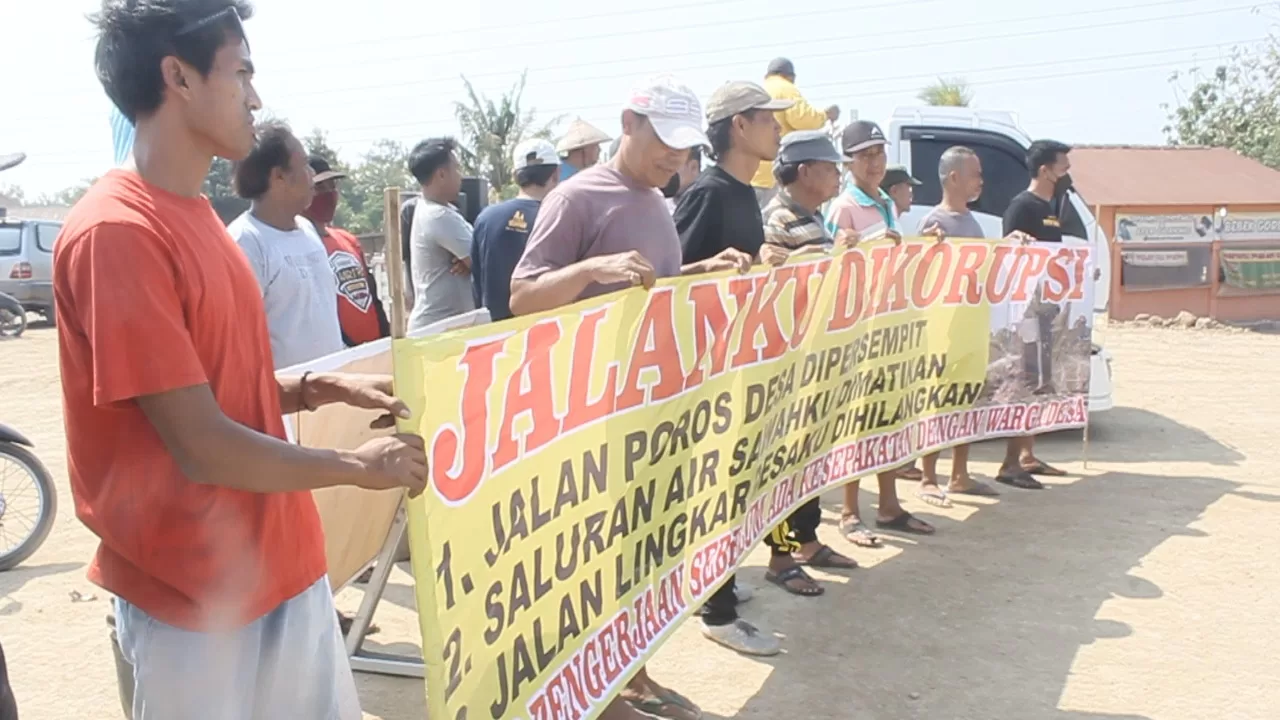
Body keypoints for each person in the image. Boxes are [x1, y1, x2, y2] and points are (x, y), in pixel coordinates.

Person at [54, 3, 428, 717]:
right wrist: (357, 468)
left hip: (281, 569)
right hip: (196, 603)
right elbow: (201, 445)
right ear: (179, 77)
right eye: (243, 72)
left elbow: (219, 391)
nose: (256, 98)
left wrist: (319, 389)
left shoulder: (202, 220)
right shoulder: (118, 233)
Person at [510, 74, 750, 720]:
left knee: (635, 555)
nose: (676, 157)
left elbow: (650, 287)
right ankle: (600, 693)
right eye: (664, 142)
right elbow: (520, 295)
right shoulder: (577, 199)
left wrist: (700, 271)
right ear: (628, 123)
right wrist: (590, 270)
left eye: (684, 146)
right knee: (592, 562)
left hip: (646, 412)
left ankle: (630, 675)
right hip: (590, 417)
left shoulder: (656, 200)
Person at [826, 120, 937, 546]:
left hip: (889, 326)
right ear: (849, 162)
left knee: (888, 417)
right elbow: (833, 264)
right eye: (865, 156)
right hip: (858, 329)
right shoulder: (843, 208)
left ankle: (889, 505)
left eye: (879, 154)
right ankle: (851, 511)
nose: (874, 163)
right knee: (857, 421)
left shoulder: (887, 201)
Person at [912, 146, 1010, 502]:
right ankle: (927, 477)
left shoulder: (972, 222)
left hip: (970, 327)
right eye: (974, 174)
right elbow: (921, 276)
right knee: (937, 401)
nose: (980, 181)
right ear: (954, 177)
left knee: (967, 399)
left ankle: (960, 474)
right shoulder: (933, 224)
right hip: (943, 329)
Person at [227, 120, 344, 368]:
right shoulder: (245, 241)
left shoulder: (307, 229)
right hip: (288, 402)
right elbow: (238, 344)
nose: (312, 175)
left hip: (334, 391)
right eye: (304, 166)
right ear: (278, 176)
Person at [999, 139, 1074, 489]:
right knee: (1026, 382)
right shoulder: (1022, 206)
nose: (1067, 173)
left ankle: (1028, 455)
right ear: (1045, 169)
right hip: (1027, 311)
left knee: (1043, 381)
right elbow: (1011, 256)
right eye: (1063, 166)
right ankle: (1010, 463)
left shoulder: (1051, 206)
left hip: (1048, 309)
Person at [303, 154, 391, 346]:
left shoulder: (347, 239)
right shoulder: (300, 247)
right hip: (339, 354)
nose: (329, 193)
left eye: (332, 186)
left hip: (374, 348)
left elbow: (372, 297)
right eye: (320, 188)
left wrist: (386, 337)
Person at [470, 139, 559, 321]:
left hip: (495, 334)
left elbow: (476, 282)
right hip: (543, 333)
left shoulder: (486, 218)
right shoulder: (557, 217)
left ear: (515, 175)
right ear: (556, 174)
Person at [749, 57, 839, 207]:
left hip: (754, 173)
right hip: (775, 174)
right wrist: (825, 115)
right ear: (791, 77)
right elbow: (803, 119)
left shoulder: (759, 90)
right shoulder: (786, 88)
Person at [407, 136, 475, 331]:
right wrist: (471, 262)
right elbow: (483, 261)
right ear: (442, 174)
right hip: (437, 330)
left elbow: (474, 257)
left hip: (444, 327)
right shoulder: (438, 216)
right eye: (457, 169)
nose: (460, 176)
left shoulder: (441, 211)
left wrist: (469, 261)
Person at [662, 145, 701, 212]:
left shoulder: (704, 208)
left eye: (673, 163)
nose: (665, 169)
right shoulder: (659, 205)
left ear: (693, 167)